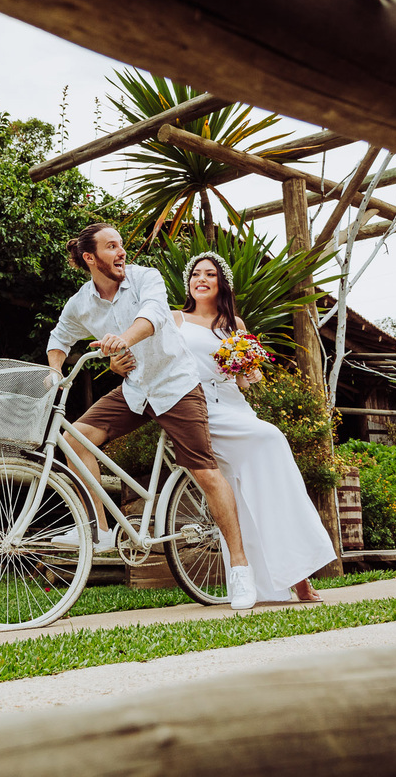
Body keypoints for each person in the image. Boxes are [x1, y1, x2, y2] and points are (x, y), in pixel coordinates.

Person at [46, 223, 258, 610]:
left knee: (206, 473)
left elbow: (154, 315)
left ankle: (240, 568)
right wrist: (55, 372)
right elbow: (59, 337)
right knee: (74, 439)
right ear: (90, 258)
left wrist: (122, 341)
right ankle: (103, 531)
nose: (121, 252)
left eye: (122, 244)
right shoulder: (81, 302)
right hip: (135, 389)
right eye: (112, 247)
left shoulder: (147, 278)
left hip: (175, 385)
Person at [111, 251, 336, 602]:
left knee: (270, 469)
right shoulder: (172, 320)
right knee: (243, 477)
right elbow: (142, 360)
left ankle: (299, 575)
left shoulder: (236, 326)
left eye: (210, 275)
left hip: (235, 409)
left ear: (221, 284)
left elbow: (246, 382)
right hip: (190, 407)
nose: (201, 279)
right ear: (188, 283)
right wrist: (120, 364)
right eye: (196, 274)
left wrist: (249, 367)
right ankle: (271, 577)